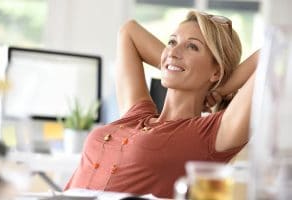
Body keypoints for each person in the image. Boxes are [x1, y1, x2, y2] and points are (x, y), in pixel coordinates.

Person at [64, 10, 259, 198]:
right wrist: (174, 63)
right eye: (172, 42)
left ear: (216, 72)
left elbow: (270, 54)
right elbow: (129, 31)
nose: (174, 50)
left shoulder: (211, 134)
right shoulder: (136, 114)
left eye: (192, 47)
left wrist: (220, 87)